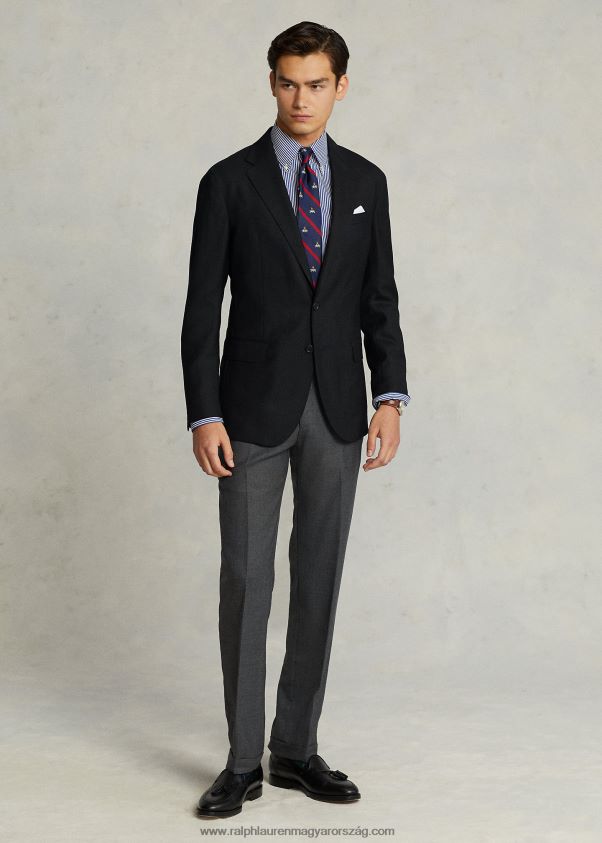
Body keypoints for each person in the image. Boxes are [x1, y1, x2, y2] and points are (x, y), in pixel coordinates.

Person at [181, 20, 410, 819]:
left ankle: (295, 748)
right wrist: (204, 411)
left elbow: (379, 298)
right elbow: (200, 309)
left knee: (319, 577)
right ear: (271, 83)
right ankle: (242, 760)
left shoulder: (367, 181)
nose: (300, 99)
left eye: (316, 84)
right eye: (287, 82)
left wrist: (390, 396)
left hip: (339, 408)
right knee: (247, 580)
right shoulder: (229, 181)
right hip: (249, 409)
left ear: (341, 86)